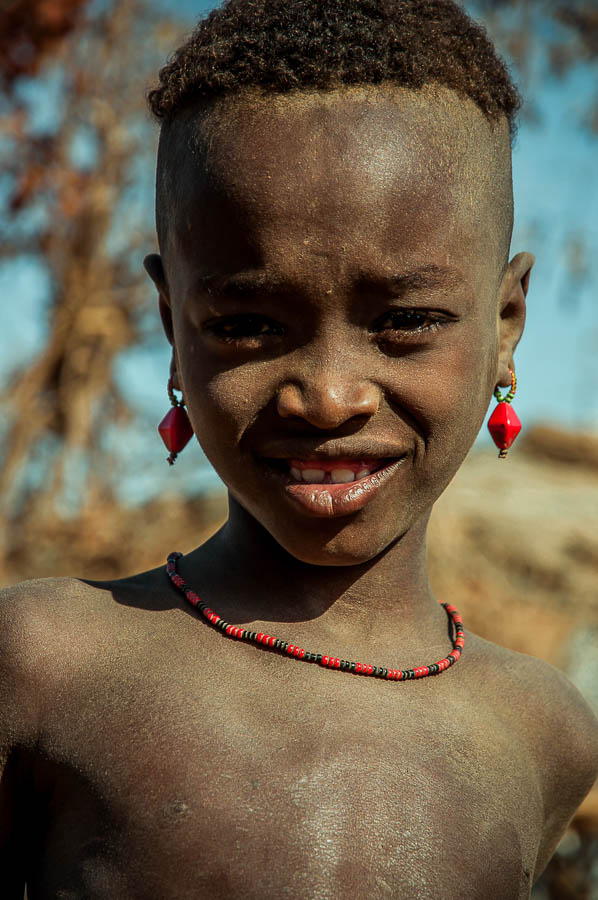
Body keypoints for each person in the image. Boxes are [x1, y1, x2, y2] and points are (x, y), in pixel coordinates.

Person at [1, 1, 597, 897]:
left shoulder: (542, 732)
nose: (329, 395)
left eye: (405, 322)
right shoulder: (44, 665)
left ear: (506, 322)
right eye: (245, 323)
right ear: (172, 324)